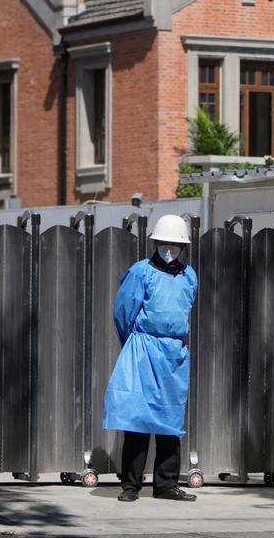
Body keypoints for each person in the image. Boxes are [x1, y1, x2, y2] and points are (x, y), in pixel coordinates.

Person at [103, 214, 198, 502]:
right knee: (137, 418)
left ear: (183, 247)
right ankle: (130, 486)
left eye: (175, 244)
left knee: (170, 420)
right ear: (156, 242)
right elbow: (123, 312)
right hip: (144, 348)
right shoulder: (140, 272)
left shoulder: (190, 275)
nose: (169, 249)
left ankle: (166, 485)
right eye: (165, 243)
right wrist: (134, 343)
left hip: (174, 354)